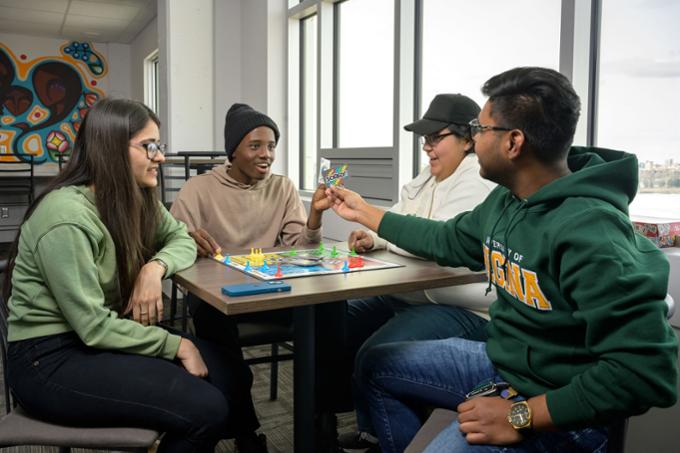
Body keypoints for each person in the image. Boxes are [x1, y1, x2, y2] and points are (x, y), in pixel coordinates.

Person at [326, 67, 678, 452]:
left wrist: (520, 416)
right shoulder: (508, 199)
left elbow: (646, 374)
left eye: (480, 128)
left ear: (513, 142)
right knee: (375, 363)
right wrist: (365, 213)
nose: (473, 138)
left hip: (561, 410)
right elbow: (448, 239)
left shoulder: (593, 232)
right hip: (503, 367)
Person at [2, 98, 268, 452]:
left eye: (160, 146)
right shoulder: (65, 217)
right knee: (206, 409)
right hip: (49, 358)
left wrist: (153, 268)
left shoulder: (136, 200)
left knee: (232, 371)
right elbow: (93, 327)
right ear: (110, 149)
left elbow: (181, 238)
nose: (160, 157)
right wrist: (177, 344)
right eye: (150, 147)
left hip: (99, 336)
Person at [170, 103, 339, 450]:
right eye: (256, 146)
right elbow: (170, 243)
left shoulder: (282, 187)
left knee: (332, 306)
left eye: (272, 146)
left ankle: (323, 417)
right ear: (233, 151)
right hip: (219, 297)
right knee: (212, 320)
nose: (267, 155)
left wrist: (315, 218)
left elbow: (301, 247)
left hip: (270, 291)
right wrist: (187, 239)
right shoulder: (197, 189)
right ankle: (245, 432)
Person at [337, 94, 496, 452]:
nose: (427, 148)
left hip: (460, 307)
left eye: (435, 138)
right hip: (410, 295)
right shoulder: (429, 177)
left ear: (468, 140)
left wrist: (382, 227)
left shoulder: (478, 182)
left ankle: (380, 437)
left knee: (375, 355)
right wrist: (373, 235)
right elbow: (400, 218)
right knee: (334, 321)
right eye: (424, 140)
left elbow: (431, 239)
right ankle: (347, 420)